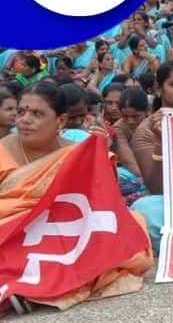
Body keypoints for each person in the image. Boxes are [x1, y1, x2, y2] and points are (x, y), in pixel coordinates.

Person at [0, 82, 153, 311]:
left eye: (37, 113)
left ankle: (32, 288)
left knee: (133, 232)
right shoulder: (3, 149)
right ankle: (32, 288)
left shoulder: (77, 153)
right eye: (21, 112)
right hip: (16, 230)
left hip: (66, 230)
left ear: (61, 121)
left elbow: (103, 204)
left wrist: (99, 156)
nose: (25, 120)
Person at [130, 60, 173, 252]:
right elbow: (155, 186)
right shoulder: (146, 131)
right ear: (159, 89)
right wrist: (162, 142)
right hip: (171, 202)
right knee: (144, 211)